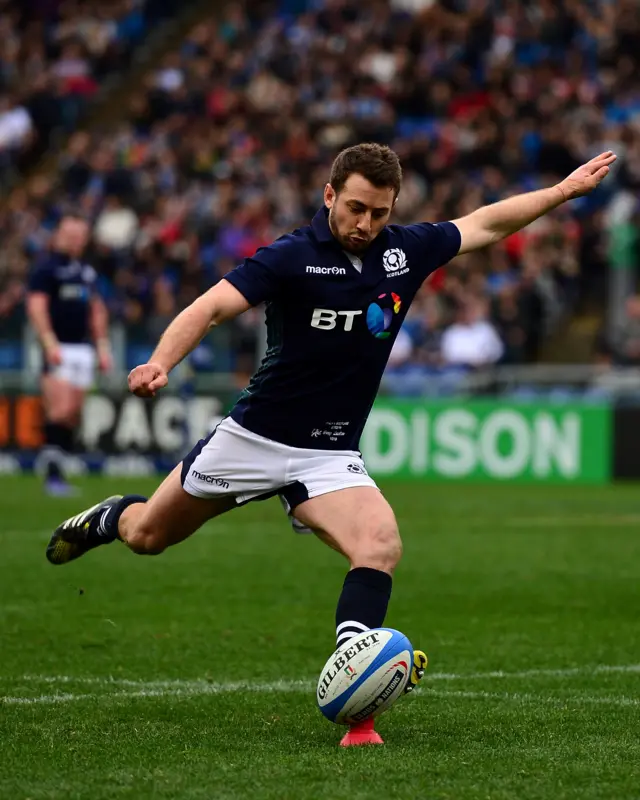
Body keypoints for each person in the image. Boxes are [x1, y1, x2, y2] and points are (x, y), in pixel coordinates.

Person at [45, 144, 615, 745]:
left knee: (379, 542)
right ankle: (110, 516)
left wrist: (559, 194)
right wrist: (159, 362)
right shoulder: (291, 257)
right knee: (148, 537)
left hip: (328, 454)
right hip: (252, 438)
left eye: (379, 212)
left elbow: (483, 224)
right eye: (356, 208)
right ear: (329, 196)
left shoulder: (403, 252)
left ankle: (359, 705)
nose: (365, 224)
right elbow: (212, 307)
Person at [26, 216, 113, 496]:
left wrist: (102, 346)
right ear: (59, 235)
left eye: (79, 235)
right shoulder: (47, 269)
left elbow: (97, 310)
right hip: (60, 347)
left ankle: (58, 472)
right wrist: (49, 343)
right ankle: (51, 473)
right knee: (60, 409)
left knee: (72, 414)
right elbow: (36, 307)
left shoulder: (86, 271)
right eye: (69, 234)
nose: (74, 240)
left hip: (83, 349)